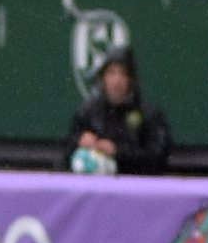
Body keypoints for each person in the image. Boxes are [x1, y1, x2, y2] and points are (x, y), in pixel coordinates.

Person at [66, 47, 171, 176]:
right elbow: (66, 155)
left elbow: (158, 156)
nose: (117, 81)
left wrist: (118, 152)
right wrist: (79, 142)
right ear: (103, 78)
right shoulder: (89, 111)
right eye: (111, 73)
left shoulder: (149, 113)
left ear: (131, 79)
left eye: (123, 74)